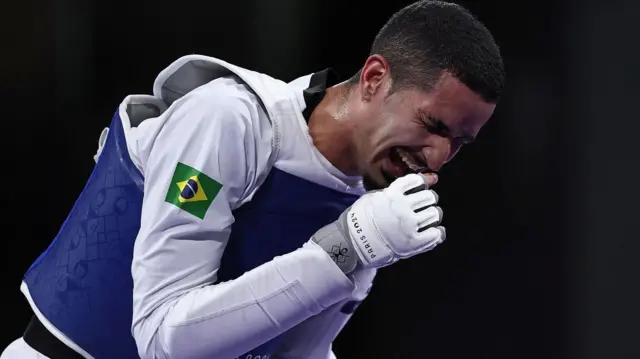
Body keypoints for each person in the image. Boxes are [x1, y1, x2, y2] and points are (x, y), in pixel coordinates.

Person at [1, 1, 505, 358]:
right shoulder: (226, 121)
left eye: (459, 143)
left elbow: (296, 353)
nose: (438, 158)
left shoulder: (365, 207)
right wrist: (346, 249)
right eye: (433, 125)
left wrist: (358, 249)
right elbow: (161, 341)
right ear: (374, 79)